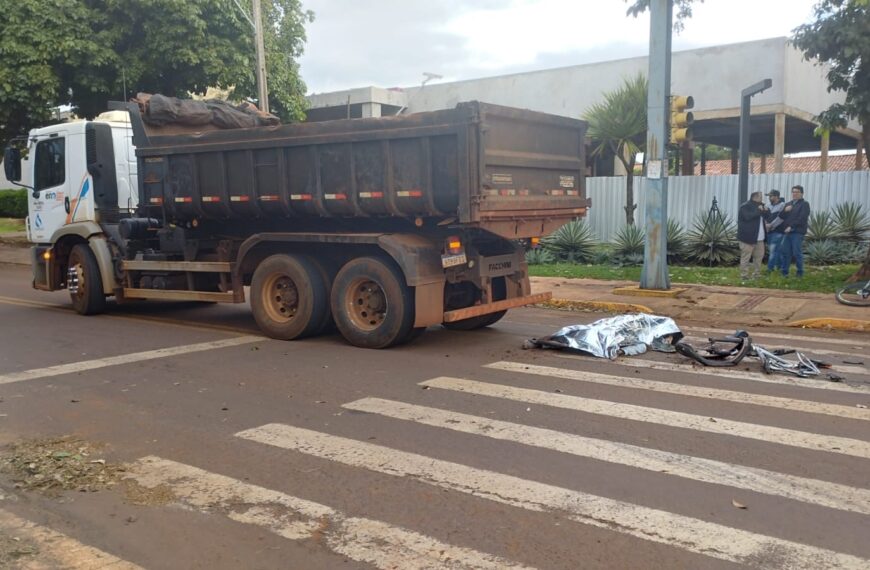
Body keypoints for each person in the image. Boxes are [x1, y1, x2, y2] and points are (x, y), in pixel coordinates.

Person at [778, 185, 811, 278]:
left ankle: (800, 273)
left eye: (797, 192)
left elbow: (802, 218)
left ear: (802, 193)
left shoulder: (804, 204)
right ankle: (784, 273)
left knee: (797, 253)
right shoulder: (788, 204)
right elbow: (781, 216)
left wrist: (791, 226)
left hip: (797, 232)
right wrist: (785, 210)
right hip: (787, 232)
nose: (794, 194)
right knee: (785, 252)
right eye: (793, 192)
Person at [737, 191, 767, 281]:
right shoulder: (745, 206)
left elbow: (768, 217)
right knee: (746, 257)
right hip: (747, 237)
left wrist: (766, 211)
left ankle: (756, 275)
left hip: (760, 238)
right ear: (755, 197)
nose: (762, 198)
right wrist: (759, 210)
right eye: (760, 196)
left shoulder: (761, 206)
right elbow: (748, 217)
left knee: (759, 257)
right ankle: (744, 276)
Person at [764, 190, 786, 272]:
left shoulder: (782, 205)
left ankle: (770, 269)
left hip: (778, 231)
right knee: (777, 251)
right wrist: (766, 224)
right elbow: (765, 217)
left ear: (777, 196)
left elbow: (780, 218)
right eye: (769, 196)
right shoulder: (768, 206)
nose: (769, 198)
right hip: (769, 232)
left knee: (773, 250)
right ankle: (780, 267)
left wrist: (771, 225)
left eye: (771, 196)